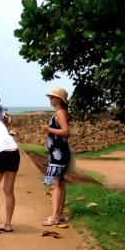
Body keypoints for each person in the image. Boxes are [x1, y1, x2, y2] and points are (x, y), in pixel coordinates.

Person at [42, 87, 70, 225]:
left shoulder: (60, 113)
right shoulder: (61, 112)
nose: (50, 99)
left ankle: (54, 217)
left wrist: (48, 129)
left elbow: (65, 132)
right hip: (59, 153)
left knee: (55, 184)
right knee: (60, 183)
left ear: (58, 99)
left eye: (52, 97)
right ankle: (59, 214)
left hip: (58, 154)